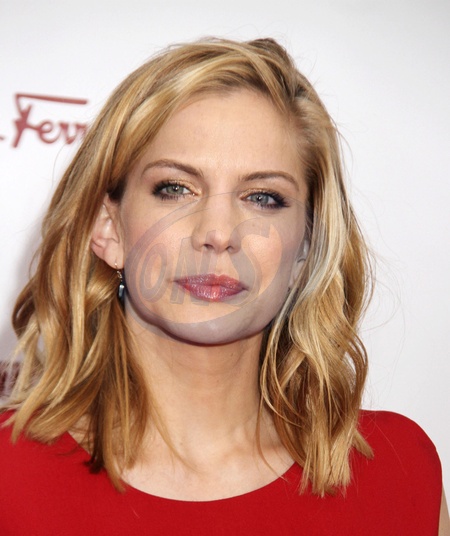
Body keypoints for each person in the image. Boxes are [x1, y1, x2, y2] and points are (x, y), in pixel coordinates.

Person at [0, 37, 448, 535]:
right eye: (175, 189)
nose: (217, 233)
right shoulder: (9, 476)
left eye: (263, 197)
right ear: (107, 228)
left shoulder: (397, 472)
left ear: (306, 246)